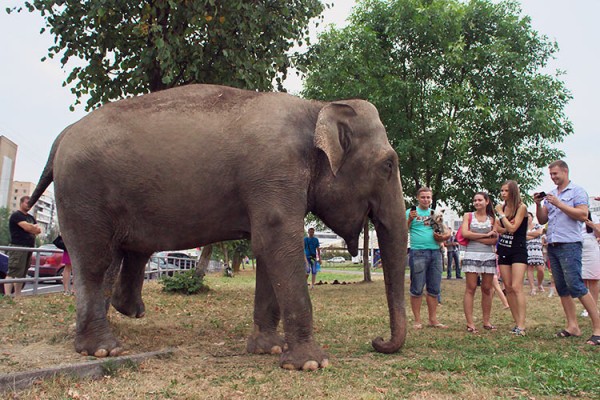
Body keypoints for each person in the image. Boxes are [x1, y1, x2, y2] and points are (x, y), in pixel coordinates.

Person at [535, 160, 600, 345]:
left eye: (555, 173)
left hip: (570, 243)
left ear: (565, 171)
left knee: (576, 285)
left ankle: (598, 328)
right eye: (551, 175)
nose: (553, 177)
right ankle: (572, 326)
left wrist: (559, 203)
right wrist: (539, 205)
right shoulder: (552, 194)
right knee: (562, 287)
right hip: (553, 244)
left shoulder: (577, 191)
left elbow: (582, 215)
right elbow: (542, 219)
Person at [407, 187, 451, 329]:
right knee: (417, 287)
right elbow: (402, 229)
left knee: (434, 288)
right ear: (417, 198)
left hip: (435, 252)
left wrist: (443, 237)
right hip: (418, 252)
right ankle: (417, 320)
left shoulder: (434, 214)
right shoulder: (411, 212)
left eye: (428, 197)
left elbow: (441, 231)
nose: (426, 200)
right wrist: (409, 219)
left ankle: (433, 320)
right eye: (423, 197)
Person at [460, 192, 499, 333]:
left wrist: (475, 237)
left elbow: (494, 240)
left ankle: (486, 321)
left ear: (487, 201)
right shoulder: (468, 216)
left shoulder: (493, 219)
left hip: (488, 254)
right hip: (471, 253)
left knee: (487, 288)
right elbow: (465, 233)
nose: (477, 202)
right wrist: (485, 235)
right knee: (470, 287)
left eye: (480, 200)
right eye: (475, 200)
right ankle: (470, 323)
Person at [495, 180, 529, 336]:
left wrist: (503, 218)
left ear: (513, 192)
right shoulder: (502, 207)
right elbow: (498, 229)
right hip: (503, 248)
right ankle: (516, 323)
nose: (503, 193)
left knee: (516, 286)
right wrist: (505, 223)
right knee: (508, 287)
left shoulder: (521, 208)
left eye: (506, 191)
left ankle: (522, 325)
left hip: (518, 249)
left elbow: (513, 228)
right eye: (502, 190)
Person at [3, 196, 42, 298]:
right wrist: (31, 228)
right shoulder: (16, 215)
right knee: (13, 270)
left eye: (30, 203)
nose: (29, 205)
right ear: (21, 203)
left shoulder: (31, 217)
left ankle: (17, 295)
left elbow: (38, 231)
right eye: (27, 203)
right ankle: (7, 296)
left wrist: (31, 228)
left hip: (29, 247)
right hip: (18, 247)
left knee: (22, 273)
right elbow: (27, 227)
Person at [580, 212, 600, 317]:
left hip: (591, 248)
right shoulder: (573, 216)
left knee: (593, 279)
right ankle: (587, 307)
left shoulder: (594, 217)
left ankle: (593, 307)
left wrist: (593, 226)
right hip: (578, 248)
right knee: (582, 280)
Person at [526, 212, 545, 295]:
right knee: (529, 268)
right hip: (527, 249)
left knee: (540, 269)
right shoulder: (522, 227)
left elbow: (539, 232)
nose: (527, 217)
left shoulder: (537, 225)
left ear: (532, 217)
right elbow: (523, 237)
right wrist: (534, 235)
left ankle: (540, 284)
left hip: (537, 249)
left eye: (529, 216)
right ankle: (532, 287)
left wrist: (528, 234)